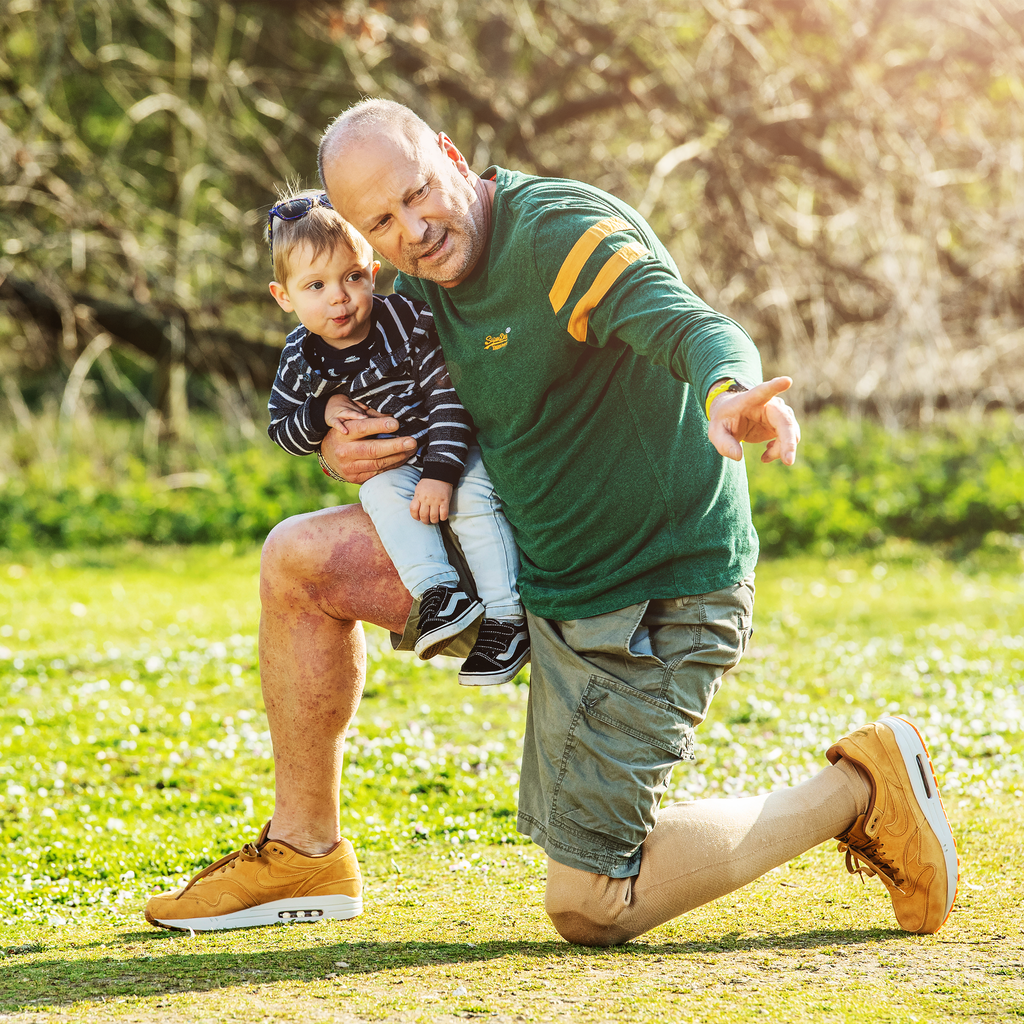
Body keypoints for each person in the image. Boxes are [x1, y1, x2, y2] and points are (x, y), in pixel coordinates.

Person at [145, 100, 958, 941]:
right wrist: (334, 438)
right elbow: (366, 377)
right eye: (380, 223)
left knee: (590, 903)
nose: (413, 230)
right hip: (524, 550)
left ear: (451, 154)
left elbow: (689, 323)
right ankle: (304, 853)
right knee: (300, 560)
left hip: (648, 589)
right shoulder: (410, 284)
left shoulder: (559, 238)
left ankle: (861, 787)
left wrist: (729, 391)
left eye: (418, 194)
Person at [264, 187, 529, 685]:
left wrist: (441, 474)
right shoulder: (299, 358)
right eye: (315, 285)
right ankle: (439, 594)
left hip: (452, 447)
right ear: (284, 297)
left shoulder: (406, 321)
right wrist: (320, 412)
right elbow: (282, 429)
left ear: (373, 271)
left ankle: (505, 618)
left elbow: (448, 397)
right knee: (379, 492)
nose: (339, 296)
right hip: (396, 469)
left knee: (473, 499)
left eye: (352, 277)